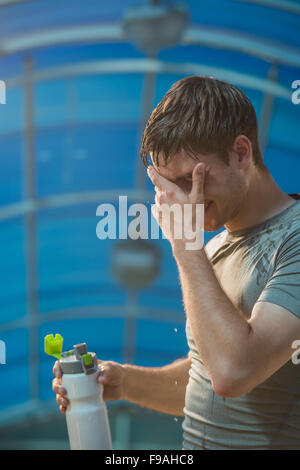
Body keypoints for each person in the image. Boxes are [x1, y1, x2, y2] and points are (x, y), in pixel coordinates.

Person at [53, 76, 300, 450]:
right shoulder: (215, 247)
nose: (186, 202)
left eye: (191, 179)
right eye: (171, 188)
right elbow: (207, 372)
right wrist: (123, 381)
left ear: (241, 153)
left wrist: (186, 246)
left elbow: (234, 373)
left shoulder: (292, 239)